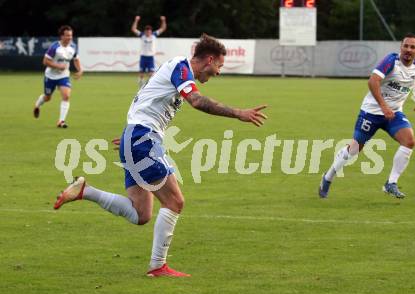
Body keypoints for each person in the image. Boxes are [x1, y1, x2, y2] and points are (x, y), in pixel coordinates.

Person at [54, 34, 268, 277]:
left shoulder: (173, 69)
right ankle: (158, 266)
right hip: (143, 138)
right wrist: (238, 113)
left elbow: (141, 102)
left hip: (136, 136)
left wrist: (128, 139)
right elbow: (196, 101)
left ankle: (85, 191)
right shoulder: (181, 67)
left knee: (140, 214)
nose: (218, 72)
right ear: (209, 59)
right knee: (175, 202)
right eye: (219, 65)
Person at [319, 34, 415, 199]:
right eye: (405, 46)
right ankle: (328, 177)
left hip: (394, 114)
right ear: (401, 47)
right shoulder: (391, 61)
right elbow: (373, 81)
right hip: (371, 112)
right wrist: (383, 106)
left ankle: (390, 183)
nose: (408, 50)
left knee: (409, 141)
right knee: (354, 150)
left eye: (412, 47)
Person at [33, 25, 83, 128]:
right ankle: (37, 105)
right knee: (47, 97)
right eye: (67, 35)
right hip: (50, 76)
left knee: (66, 96)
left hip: (63, 76)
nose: (70, 38)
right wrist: (58, 66)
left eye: (71, 35)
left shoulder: (72, 47)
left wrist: (80, 70)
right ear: (61, 36)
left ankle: (61, 121)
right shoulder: (54, 47)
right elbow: (45, 61)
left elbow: (76, 59)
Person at [131, 15, 167, 88]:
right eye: (147, 30)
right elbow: (133, 29)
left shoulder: (154, 35)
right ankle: (140, 86)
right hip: (143, 56)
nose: (148, 32)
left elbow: (163, 28)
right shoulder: (142, 35)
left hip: (150, 57)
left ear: (151, 31)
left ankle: (151, 87)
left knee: (151, 74)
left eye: (149, 30)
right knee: (141, 74)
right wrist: (136, 20)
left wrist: (163, 20)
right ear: (145, 31)